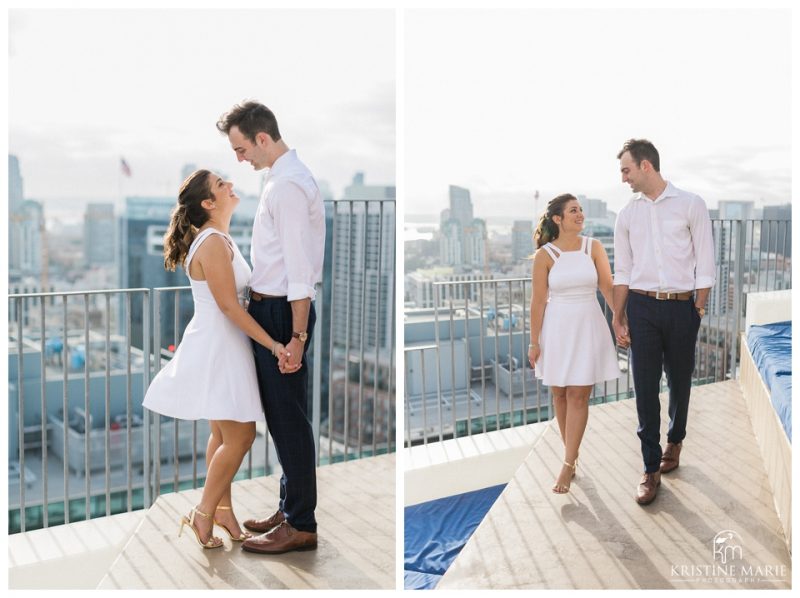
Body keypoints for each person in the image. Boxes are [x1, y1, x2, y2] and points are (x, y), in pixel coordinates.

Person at [143, 169, 283, 549]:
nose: (231, 186)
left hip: (218, 343)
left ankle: (223, 510)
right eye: (222, 185)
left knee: (222, 435)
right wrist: (273, 345)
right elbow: (228, 307)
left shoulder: (216, 239)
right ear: (208, 203)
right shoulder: (213, 244)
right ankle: (203, 514)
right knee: (242, 435)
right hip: (221, 345)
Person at [216, 101, 325, 554]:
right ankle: (289, 508)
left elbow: (299, 271)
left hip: (283, 315)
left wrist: (295, 338)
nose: (239, 159)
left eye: (242, 149)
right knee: (285, 421)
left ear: (263, 138)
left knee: (289, 423)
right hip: (276, 313)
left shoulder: (287, 188)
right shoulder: (279, 181)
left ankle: (300, 525)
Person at [611, 138, 715, 506]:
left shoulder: (691, 204)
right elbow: (622, 269)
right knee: (644, 388)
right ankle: (650, 467)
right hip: (641, 308)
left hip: (682, 308)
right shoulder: (626, 215)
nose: (623, 178)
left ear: (645, 166)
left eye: (626, 169)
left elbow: (705, 258)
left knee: (680, 381)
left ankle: (676, 439)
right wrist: (618, 314)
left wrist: (698, 307)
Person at [528, 194, 620, 494]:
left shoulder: (592, 247)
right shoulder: (545, 255)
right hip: (556, 328)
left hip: (587, 325)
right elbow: (538, 301)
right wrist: (534, 342)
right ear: (558, 219)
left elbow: (607, 286)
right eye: (573, 211)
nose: (580, 214)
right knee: (560, 395)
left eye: (580, 210)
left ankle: (567, 466)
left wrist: (619, 319)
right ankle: (572, 456)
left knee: (579, 395)